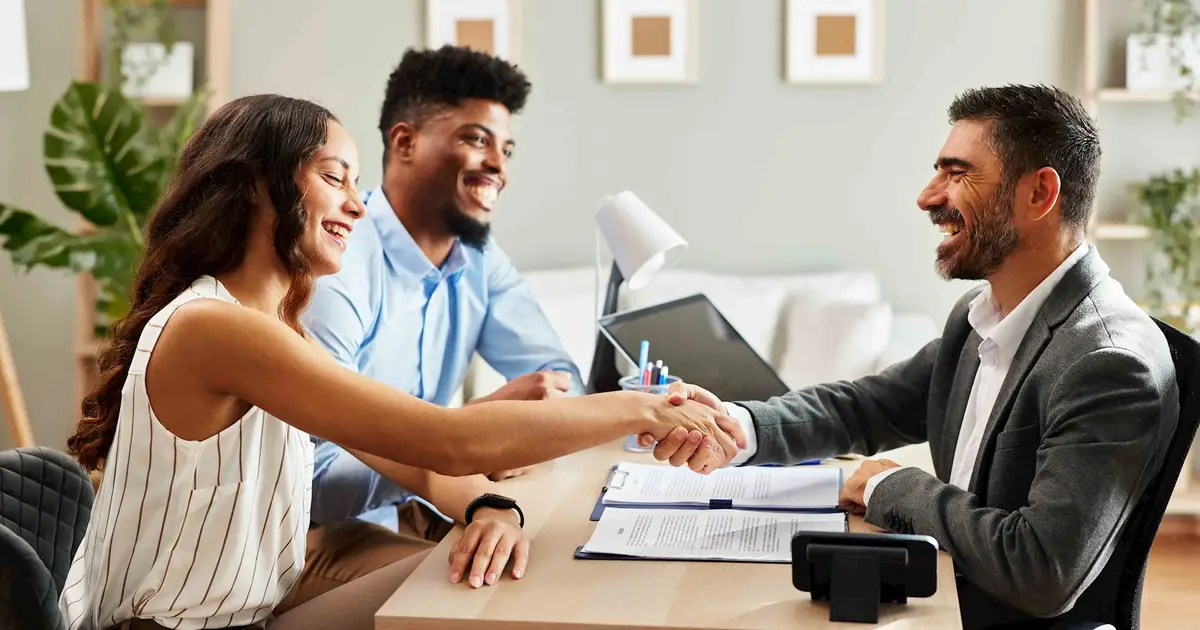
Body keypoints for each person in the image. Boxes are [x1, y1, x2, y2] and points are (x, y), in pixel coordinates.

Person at [58, 93, 742, 630]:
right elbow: (446, 441)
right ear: (257, 186)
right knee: (492, 598)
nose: (358, 205)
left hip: (253, 611)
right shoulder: (219, 331)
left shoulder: (269, 330)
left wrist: (493, 507)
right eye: (335, 178)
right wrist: (650, 405)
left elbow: (411, 462)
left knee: (498, 568)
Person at [647, 84, 1179, 629]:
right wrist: (733, 425)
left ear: (1040, 194)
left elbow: (1040, 570)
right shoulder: (983, 316)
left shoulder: (1107, 363)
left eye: (958, 173)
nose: (928, 197)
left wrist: (885, 485)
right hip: (945, 590)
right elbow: (863, 408)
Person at [288, 45, 584, 608]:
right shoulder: (338, 267)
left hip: (435, 503)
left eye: (506, 147)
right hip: (320, 535)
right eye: (476, 139)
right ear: (405, 143)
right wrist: (458, 437)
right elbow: (308, 481)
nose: (498, 164)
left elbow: (559, 377)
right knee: (502, 596)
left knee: (565, 565)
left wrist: (490, 437)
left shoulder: (478, 258)